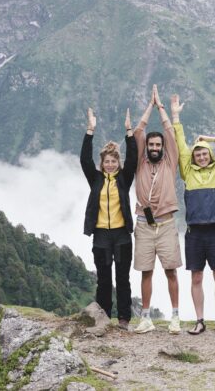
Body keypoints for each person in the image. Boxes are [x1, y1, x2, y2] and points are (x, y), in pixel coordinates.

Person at [172, 95, 215, 335]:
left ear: (210, 155)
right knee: (196, 277)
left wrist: (208, 139)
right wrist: (176, 118)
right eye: (198, 154)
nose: (201, 156)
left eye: (204, 153)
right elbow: (180, 144)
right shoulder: (187, 172)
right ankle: (199, 319)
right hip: (195, 232)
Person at [130, 85, 183, 335]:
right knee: (146, 271)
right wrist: (148, 107)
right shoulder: (140, 162)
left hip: (166, 223)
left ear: (162, 146)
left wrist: (162, 108)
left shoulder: (170, 161)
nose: (153, 147)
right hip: (143, 223)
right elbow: (138, 132)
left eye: (157, 144)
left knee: (171, 270)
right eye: (150, 144)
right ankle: (146, 317)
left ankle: (175, 317)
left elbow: (170, 133)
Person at [80, 107, 138, 329]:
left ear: (118, 163)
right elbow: (84, 159)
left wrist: (129, 132)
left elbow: (133, 159)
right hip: (101, 235)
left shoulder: (124, 179)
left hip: (122, 235)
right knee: (103, 279)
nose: (111, 164)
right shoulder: (95, 179)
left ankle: (124, 319)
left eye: (114, 161)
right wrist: (90, 130)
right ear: (102, 163)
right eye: (107, 161)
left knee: (122, 279)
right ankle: (102, 318)